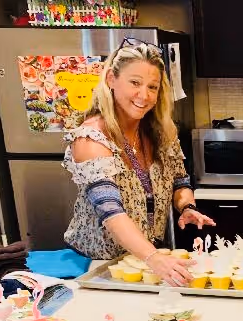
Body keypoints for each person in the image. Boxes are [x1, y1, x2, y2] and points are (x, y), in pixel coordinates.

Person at [62, 39, 215, 286]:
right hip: (99, 267)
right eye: (135, 83)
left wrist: (186, 207)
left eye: (152, 87)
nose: (144, 95)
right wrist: (154, 257)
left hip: (144, 262)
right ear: (111, 79)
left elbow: (179, 181)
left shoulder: (161, 132)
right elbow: (111, 212)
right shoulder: (91, 139)